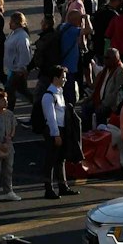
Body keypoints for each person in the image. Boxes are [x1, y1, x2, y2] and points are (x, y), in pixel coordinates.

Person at [39, 68, 72, 199]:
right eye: (63, 77)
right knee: (50, 160)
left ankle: (63, 186)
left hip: (61, 129)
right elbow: (51, 117)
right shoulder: (49, 95)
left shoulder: (59, 92)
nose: (65, 79)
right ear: (55, 78)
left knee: (61, 159)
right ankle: (49, 189)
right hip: (54, 130)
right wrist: (56, 134)